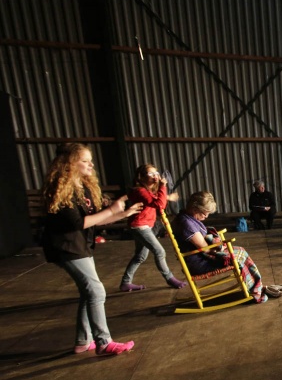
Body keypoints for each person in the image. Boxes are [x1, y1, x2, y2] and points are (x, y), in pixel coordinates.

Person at [41, 143, 143, 356]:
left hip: (81, 246)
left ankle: (83, 341)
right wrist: (113, 209)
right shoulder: (60, 190)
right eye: (85, 161)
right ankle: (104, 342)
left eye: (90, 160)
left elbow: (98, 220)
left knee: (89, 293)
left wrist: (122, 214)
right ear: (69, 164)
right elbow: (80, 223)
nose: (91, 164)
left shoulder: (84, 188)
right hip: (66, 247)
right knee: (96, 291)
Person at [171, 191, 282, 302]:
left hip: (203, 256)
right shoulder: (186, 224)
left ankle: (258, 286)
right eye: (205, 212)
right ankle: (257, 290)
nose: (206, 216)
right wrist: (219, 245)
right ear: (195, 208)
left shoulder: (188, 217)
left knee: (241, 251)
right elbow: (205, 247)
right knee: (237, 256)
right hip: (200, 262)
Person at [119, 163, 187, 292]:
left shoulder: (147, 191)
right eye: (151, 174)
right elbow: (158, 203)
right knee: (159, 251)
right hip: (139, 226)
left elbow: (155, 198)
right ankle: (170, 278)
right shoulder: (139, 190)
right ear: (141, 177)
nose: (155, 176)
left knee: (140, 257)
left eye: (156, 173)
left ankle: (125, 282)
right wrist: (163, 186)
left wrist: (167, 196)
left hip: (145, 226)